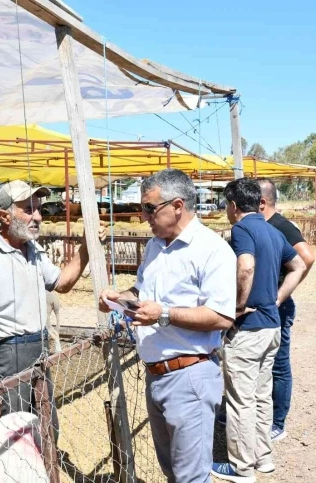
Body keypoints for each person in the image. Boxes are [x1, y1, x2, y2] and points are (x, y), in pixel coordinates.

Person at [99, 168, 236, 483]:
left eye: (149, 207)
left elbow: (221, 316)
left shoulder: (212, 250)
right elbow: (141, 292)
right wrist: (118, 298)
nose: (143, 215)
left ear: (177, 206)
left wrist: (163, 314)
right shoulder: (155, 246)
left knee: (191, 477)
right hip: (157, 375)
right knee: (173, 471)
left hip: (190, 375)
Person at [0, 179, 104, 420]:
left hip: (39, 348)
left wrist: (86, 247)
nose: (38, 217)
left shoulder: (34, 251)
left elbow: (62, 283)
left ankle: (48, 457)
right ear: (4, 216)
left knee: (48, 426)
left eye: (38, 209)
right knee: (15, 432)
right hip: (9, 354)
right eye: (28, 210)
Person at [212, 178, 306, 483]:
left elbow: (247, 266)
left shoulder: (242, 229)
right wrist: (278, 298)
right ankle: (263, 458)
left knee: (240, 400)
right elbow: (299, 266)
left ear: (234, 205)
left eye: (226, 204)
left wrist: (237, 308)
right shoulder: (272, 230)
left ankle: (241, 468)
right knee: (262, 395)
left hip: (249, 330)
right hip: (271, 327)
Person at [257, 178, 316, 442]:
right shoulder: (263, 226)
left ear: (262, 202)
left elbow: (307, 257)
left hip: (277, 306)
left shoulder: (279, 225)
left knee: (279, 364)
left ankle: (277, 423)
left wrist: (283, 292)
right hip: (266, 305)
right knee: (262, 362)